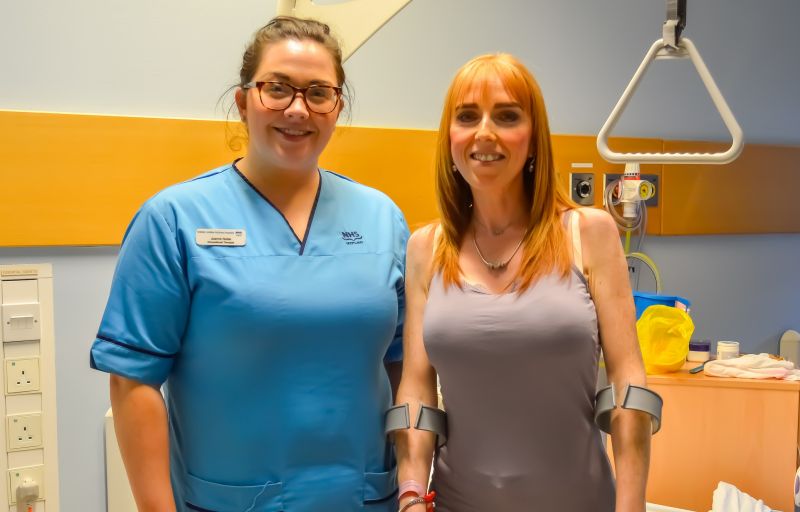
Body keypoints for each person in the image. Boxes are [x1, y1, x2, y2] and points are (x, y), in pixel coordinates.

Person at [90, 16, 408, 512]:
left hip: (364, 497)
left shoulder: (382, 218)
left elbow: (402, 362)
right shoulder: (174, 220)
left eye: (318, 93)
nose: (297, 109)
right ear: (243, 102)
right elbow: (132, 381)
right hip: (231, 500)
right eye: (276, 88)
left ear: (337, 107)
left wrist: (410, 482)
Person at [394, 53, 653, 512]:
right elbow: (416, 390)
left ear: (534, 140)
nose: (485, 132)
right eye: (467, 116)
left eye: (507, 116)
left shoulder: (588, 233)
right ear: (449, 138)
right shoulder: (426, 248)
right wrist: (411, 495)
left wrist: (631, 508)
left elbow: (627, 388)